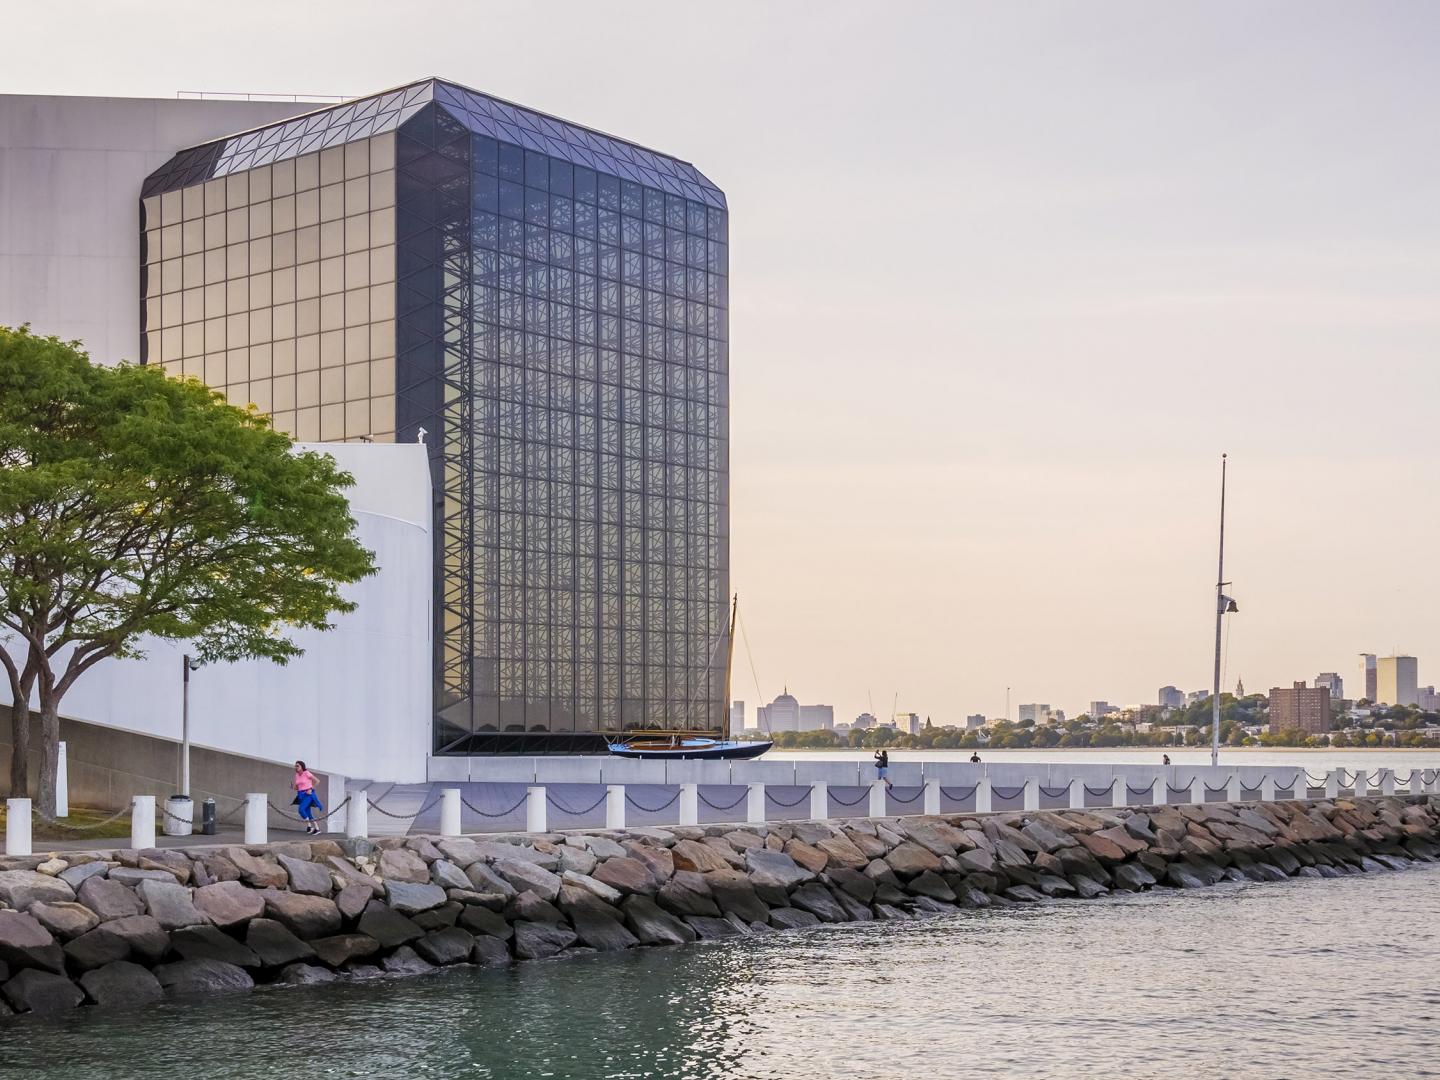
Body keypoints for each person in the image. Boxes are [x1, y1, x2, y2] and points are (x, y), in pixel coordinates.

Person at [293, 760, 324, 835]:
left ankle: (309, 826)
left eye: (297, 766)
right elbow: (297, 787)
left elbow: (317, 781)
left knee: (301, 810)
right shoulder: (297, 775)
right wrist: (293, 787)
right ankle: (317, 829)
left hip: (308, 795)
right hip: (301, 795)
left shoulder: (306, 773)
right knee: (308, 813)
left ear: (302, 766)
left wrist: (310, 789)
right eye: (295, 766)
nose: (296, 767)